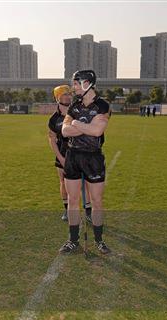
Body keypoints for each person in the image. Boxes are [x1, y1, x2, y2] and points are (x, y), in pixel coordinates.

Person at [60, 70, 111, 254]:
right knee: (73, 200)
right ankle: (73, 240)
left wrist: (76, 125)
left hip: (93, 157)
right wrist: (85, 127)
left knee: (96, 201)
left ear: (87, 83)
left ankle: (99, 240)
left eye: (75, 83)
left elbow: (97, 131)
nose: (73, 87)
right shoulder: (74, 105)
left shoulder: (102, 105)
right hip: (73, 156)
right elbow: (64, 131)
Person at [48, 85, 92, 222]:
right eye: (64, 95)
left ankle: (89, 213)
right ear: (57, 98)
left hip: (80, 153)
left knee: (84, 184)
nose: (67, 96)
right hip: (63, 155)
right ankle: (67, 211)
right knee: (63, 182)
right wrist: (61, 158)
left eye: (68, 94)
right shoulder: (54, 119)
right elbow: (52, 139)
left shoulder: (79, 112)